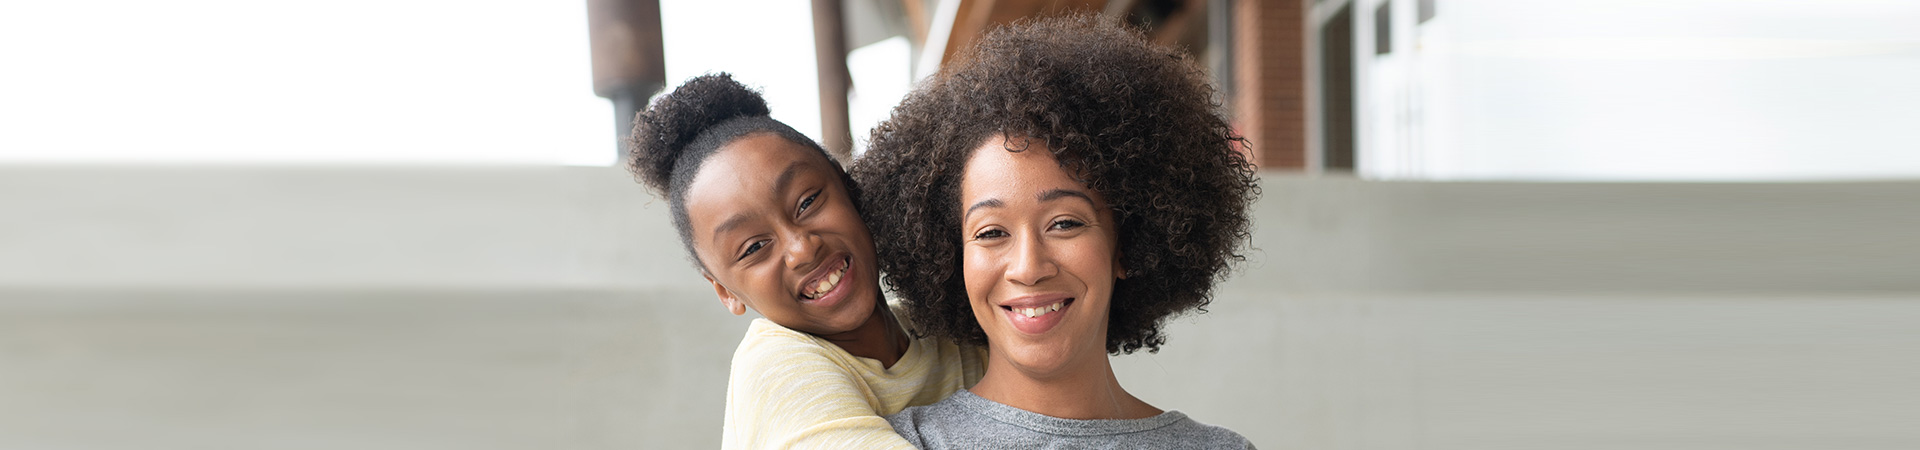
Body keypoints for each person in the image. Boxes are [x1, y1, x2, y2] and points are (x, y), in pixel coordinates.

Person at [852, 16, 1259, 448]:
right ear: (953, 259)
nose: (1028, 268)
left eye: (1064, 223)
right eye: (990, 233)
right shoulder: (903, 444)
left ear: (1128, 246)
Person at [626, 73, 984, 449]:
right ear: (724, 290)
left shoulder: (948, 324)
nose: (802, 248)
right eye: (753, 248)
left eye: (808, 201)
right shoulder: (775, 367)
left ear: (849, 186)